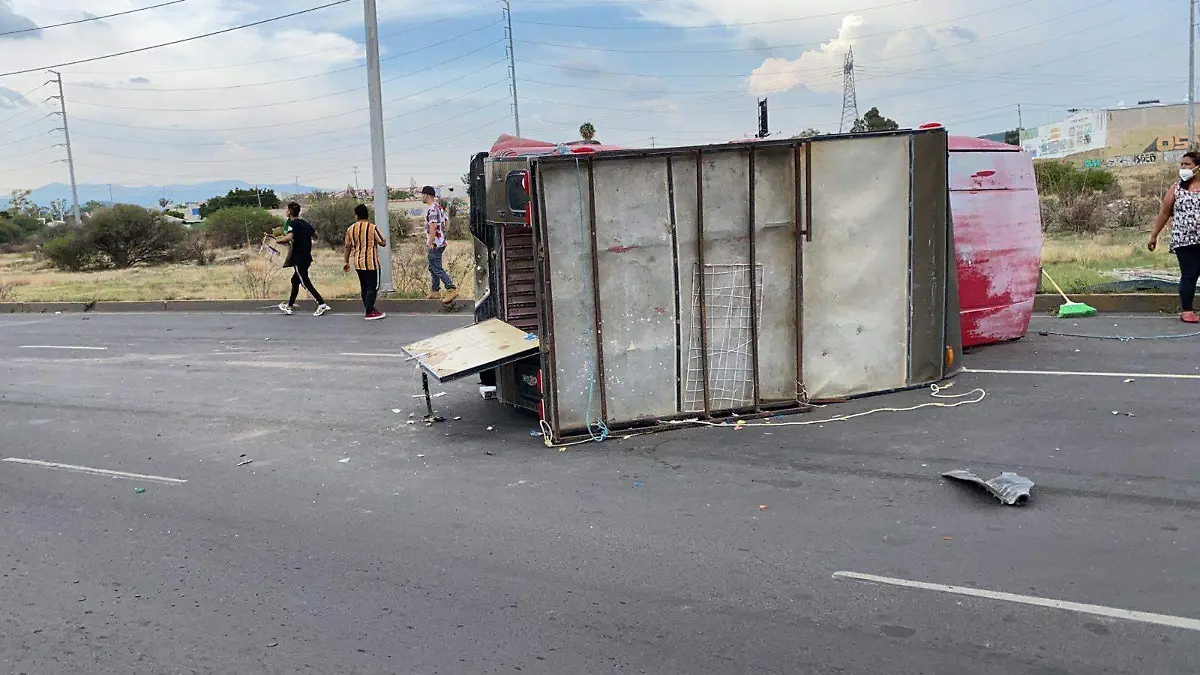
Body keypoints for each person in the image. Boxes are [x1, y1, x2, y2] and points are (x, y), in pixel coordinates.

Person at [1149, 150, 1200, 324]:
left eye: (1188, 164)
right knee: (1189, 274)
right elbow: (1164, 213)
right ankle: (1187, 311)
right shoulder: (1176, 188)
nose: (1183, 168)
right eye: (1182, 164)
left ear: (1198, 167)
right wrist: (1154, 235)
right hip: (1184, 240)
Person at [276, 202, 331, 317]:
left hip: (298, 258)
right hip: (307, 257)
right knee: (295, 280)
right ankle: (289, 306)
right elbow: (315, 235)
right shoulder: (305, 223)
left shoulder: (292, 224)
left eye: (287, 209)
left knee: (305, 282)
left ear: (290, 212)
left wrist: (278, 240)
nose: (286, 211)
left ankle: (321, 303)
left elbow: (289, 237)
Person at [343, 203, 388, 321]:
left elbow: (347, 246)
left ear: (357, 216)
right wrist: (384, 239)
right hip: (371, 262)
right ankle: (369, 311)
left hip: (358, 262)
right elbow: (382, 243)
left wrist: (346, 261)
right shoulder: (372, 227)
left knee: (364, 287)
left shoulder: (350, 229)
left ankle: (369, 308)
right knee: (373, 286)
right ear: (367, 215)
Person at [421, 185, 458, 303]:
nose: (421, 197)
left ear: (427, 195)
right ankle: (435, 291)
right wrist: (443, 235)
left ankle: (451, 288)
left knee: (436, 268)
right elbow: (446, 222)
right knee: (433, 267)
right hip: (441, 242)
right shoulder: (439, 207)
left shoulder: (431, 210)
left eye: (422, 195)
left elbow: (433, 226)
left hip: (435, 244)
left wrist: (430, 242)